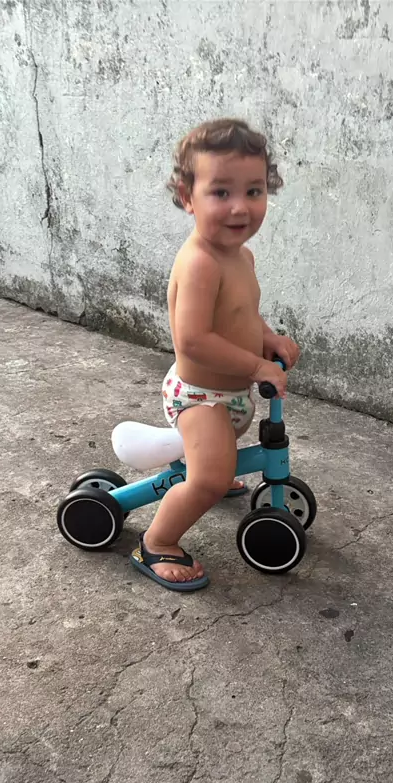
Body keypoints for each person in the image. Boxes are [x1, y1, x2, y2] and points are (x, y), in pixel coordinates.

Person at [130, 118, 300, 591]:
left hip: (230, 395)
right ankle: (156, 542)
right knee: (207, 479)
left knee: (217, 466)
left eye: (253, 191)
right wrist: (257, 366)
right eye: (221, 192)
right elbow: (194, 340)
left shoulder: (241, 255)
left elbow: (241, 314)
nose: (240, 207)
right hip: (199, 398)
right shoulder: (200, 262)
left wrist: (267, 338)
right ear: (188, 197)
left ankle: (214, 470)